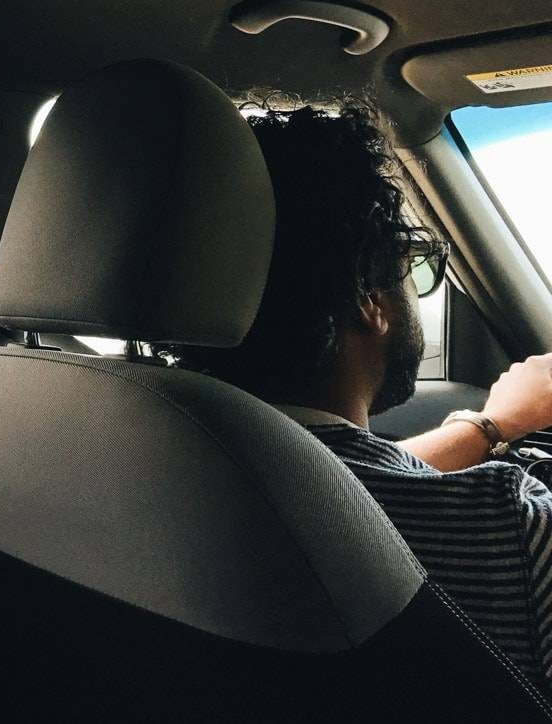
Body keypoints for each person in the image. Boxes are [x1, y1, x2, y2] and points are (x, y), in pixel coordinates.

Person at [164, 103, 552, 686]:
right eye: (411, 266)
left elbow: (341, 483)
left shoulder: (119, 465)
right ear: (367, 296)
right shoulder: (505, 528)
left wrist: (489, 425)